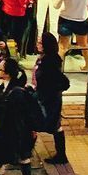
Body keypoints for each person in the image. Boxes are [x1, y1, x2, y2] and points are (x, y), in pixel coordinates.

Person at [31, 32, 70, 166]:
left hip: (48, 100)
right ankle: (61, 155)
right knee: (54, 126)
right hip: (46, 98)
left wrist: (45, 91)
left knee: (34, 123)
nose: (38, 44)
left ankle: (25, 154)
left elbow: (63, 82)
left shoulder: (50, 62)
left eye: (41, 43)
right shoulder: (46, 58)